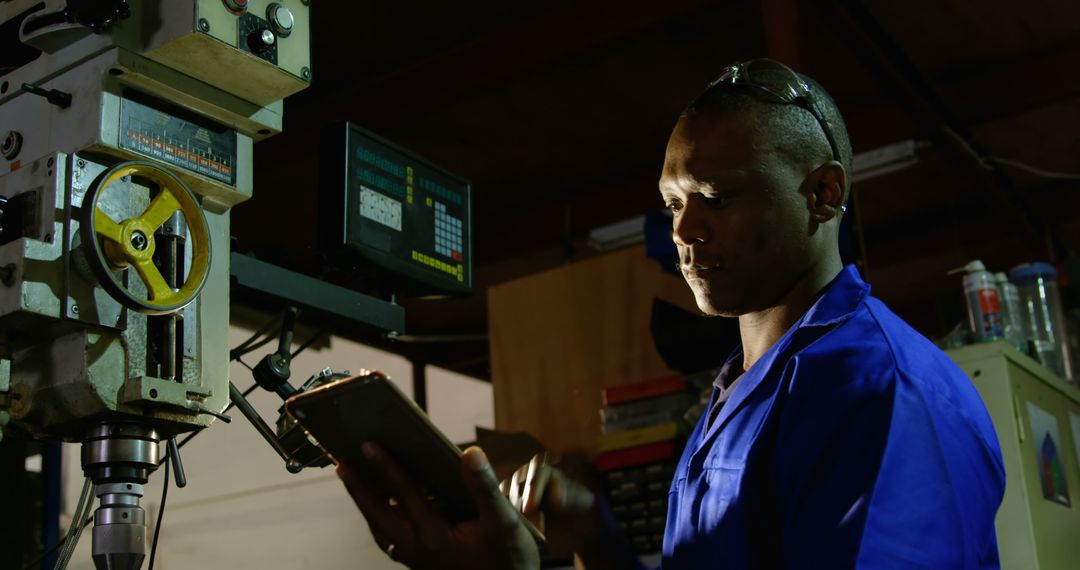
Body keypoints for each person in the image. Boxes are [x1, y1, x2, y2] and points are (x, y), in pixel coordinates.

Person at [337, 58, 1006, 569]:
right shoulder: (732, 396)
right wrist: (597, 543)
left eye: (715, 196)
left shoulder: (880, 392)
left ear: (823, 192)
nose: (686, 231)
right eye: (672, 204)